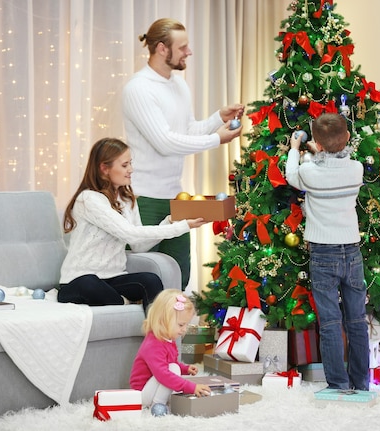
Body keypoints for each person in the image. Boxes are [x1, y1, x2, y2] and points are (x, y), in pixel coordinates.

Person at [122, 17, 245, 289]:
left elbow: (187, 130)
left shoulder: (179, 85)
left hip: (175, 197)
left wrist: (216, 118)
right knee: (146, 280)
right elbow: (165, 142)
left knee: (179, 277)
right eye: (183, 47)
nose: (189, 52)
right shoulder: (138, 88)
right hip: (145, 198)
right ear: (162, 49)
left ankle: (172, 333)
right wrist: (216, 139)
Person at [58, 138, 206, 312]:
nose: (131, 170)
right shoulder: (89, 199)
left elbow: (138, 245)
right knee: (89, 283)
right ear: (104, 169)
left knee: (151, 281)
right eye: (124, 165)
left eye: (130, 164)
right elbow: (129, 233)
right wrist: (182, 227)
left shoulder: (127, 200)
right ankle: (123, 302)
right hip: (77, 281)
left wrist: (170, 221)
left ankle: (157, 335)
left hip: (112, 279)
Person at [285, 113, 370, 391]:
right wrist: (320, 150)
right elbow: (337, 161)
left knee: (331, 322)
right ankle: (361, 383)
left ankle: (338, 384)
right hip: (351, 252)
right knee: (357, 320)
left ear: (317, 145)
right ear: (347, 138)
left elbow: (292, 175)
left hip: (322, 254)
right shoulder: (356, 169)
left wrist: (297, 148)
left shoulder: (309, 173)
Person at [130, 289, 211, 408]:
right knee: (172, 370)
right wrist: (191, 387)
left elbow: (169, 362)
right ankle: (157, 405)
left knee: (174, 368)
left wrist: (185, 368)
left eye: (186, 325)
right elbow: (163, 374)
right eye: (181, 325)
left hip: (150, 388)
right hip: (140, 395)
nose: (184, 329)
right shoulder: (153, 345)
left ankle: (159, 402)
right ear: (163, 321)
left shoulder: (167, 340)